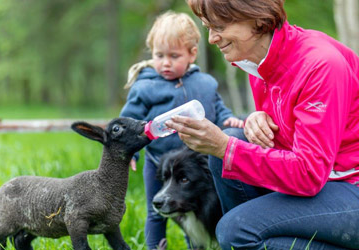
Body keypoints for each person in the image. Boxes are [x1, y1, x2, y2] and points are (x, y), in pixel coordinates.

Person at [165, 0, 359, 249]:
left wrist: (226, 147)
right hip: (326, 181)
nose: (212, 38)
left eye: (220, 26)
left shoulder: (320, 65)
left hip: (349, 185)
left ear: (257, 18)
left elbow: (309, 174)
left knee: (235, 229)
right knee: (230, 146)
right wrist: (255, 120)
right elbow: (297, 131)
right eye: (208, 27)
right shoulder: (258, 61)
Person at [120, 10, 243, 250]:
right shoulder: (145, 88)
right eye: (159, 55)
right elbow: (129, 123)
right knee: (156, 212)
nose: (165, 62)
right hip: (159, 164)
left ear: (191, 54)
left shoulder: (205, 83)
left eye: (174, 56)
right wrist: (130, 153)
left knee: (191, 206)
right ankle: (155, 247)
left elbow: (218, 108)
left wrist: (230, 121)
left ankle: (196, 245)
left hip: (200, 163)